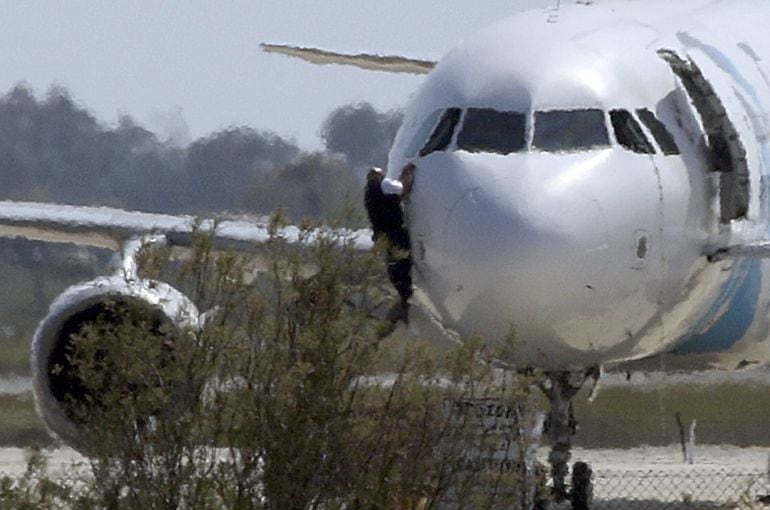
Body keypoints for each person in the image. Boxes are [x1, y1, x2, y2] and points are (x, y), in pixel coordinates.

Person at [364, 167, 413, 322]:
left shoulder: (368, 194)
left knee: (393, 265)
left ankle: (403, 298)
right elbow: (402, 189)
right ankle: (406, 299)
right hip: (395, 232)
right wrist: (407, 174)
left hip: (383, 236)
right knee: (404, 263)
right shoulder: (383, 185)